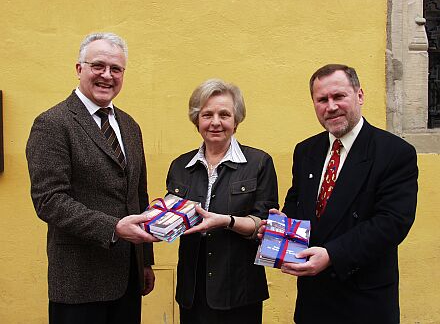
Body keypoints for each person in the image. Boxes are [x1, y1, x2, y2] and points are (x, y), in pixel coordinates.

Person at [267, 64, 418, 324]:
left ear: (359, 95)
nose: (331, 106)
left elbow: (392, 223)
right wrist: (280, 227)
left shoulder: (394, 152)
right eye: (322, 99)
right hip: (313, 302)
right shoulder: (305, 151)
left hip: (364, 302)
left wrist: (332, 255)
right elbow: (297, 203)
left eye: (339, 96)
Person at [26, 32, 158, 324]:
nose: (107, 76)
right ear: (79, 69)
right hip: (79, 282)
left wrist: (145, 260)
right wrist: (114, 228)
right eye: (98, 66)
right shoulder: (52, 123)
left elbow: (139, 196)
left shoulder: (129, 125)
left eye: (116, 69)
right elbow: (50, 201)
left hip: (128, 278)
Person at [165, 79, 278, 324]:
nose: (215, 122)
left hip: (240, 288)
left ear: (236, 121)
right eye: (207, 114)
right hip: (192, 291)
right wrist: (157, 220)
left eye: (224, 114)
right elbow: (171, 220)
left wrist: (226, 221)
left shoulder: (259, 163)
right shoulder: (179, 166)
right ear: (197, 120)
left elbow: (265, 226)